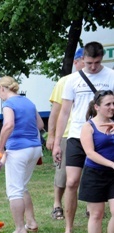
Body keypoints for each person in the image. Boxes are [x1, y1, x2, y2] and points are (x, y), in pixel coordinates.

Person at [52, 42, 114, 233]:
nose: (93, 67)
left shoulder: (111, 76)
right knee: (71, 182)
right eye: (89, 63)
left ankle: (99, 232)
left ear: (102, 58)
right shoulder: (72, 80)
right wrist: (57, 142)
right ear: (82, 59)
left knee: (103, 180)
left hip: (103, 136)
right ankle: (68, 230)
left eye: (97, 62)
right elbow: (64, 112)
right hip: (77, 135)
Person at [0, 76, 43, 233]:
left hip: (18, 149)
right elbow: (40, 125)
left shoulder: (8, 104)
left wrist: (0, 148)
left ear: (3, 89)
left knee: (14, 190)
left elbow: (8, 125)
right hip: (35, 148)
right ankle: (31, 222)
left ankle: (19, 230)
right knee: (21, 186)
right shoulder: (28, 102)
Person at [47, 48, 85, 221]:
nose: (88, 67)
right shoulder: (65, 81)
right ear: (76, 62)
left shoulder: (99, 80)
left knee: (90, 172)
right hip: (68, 134)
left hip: (91, 133)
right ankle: (57, 204)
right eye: (84, 62)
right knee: (63, 174)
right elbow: (55, 112)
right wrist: (52, 136)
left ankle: (90, 207)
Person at [77, 91, 114, 233]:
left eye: (113, 103)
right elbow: (90, 153)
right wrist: (111, 164)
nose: (112, 107)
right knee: (97, 214)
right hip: (95, 174)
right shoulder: (88, 126)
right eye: (108, 104)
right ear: (97, 107)